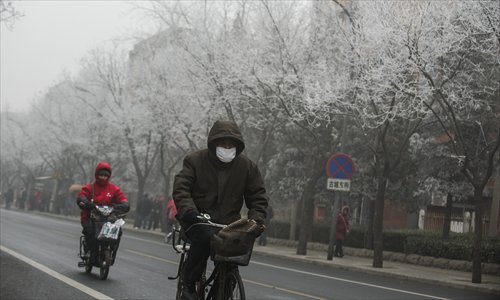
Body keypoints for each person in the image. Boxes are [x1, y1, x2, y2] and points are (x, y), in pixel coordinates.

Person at [173, 120, 268, 300]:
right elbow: (181, 189)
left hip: (228, 224)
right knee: (203, 236)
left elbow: (258, 197)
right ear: (213, 143)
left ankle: (224, 287)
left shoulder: (247, 167)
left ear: (237, 146)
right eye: (223, 143)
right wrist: (191, 212)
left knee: (235, 253)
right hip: (197, 219)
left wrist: (256, 220)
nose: (227, 147)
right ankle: (189, 282)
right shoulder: (194, 161)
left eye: (231, 144)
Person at [76, 162, 130, 261]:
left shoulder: (114, 189)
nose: (103, 177)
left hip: (108, 219)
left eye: (105, 175)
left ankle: (112, 252)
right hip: (90, 217)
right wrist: (85, 202)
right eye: (101, 175)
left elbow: (123, 199)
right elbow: (82, 196)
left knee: (118, 232)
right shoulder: (89, 188)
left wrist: (123, 205)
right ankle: (90, 251)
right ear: (97, 175)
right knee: (90, 232)